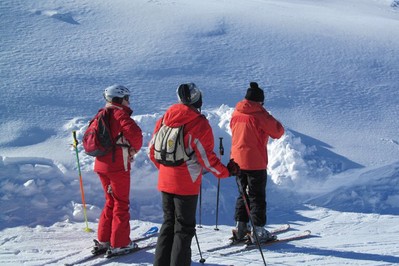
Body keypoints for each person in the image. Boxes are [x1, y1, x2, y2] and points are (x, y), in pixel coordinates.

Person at [149, 83, 239, 266]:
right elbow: (206, 159)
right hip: (185, 183)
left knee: (168, 224)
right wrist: (227, 171)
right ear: (197, 99)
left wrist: (166, 171)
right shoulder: (199, 123)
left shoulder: (164, 118)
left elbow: (152, 150)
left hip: (165, 180)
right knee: (183, 229)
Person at [92, 85, 143, 256]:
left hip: (100, 165)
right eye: (127, 98)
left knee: (110, 201)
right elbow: (136, 135)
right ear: (119, 99)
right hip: (117, 166)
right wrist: (133, 150)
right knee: (121, 203)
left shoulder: (100, 114)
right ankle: (120, 243)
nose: (129, 101)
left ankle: (104, 240)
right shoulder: (119, 114)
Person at [230, 82, 284, 243]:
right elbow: (278, 131)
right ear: (259, 101)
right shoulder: (259, 115)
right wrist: (265, 112)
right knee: (257, 196)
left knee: (243, 195)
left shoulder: (236, 113)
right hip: (254, 162)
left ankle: (241, 228)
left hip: (237, 161)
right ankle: (258, 231)